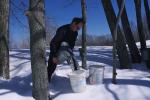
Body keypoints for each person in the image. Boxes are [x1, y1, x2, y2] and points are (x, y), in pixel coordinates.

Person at [47, 17, 84, 83]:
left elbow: (72, 44)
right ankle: (46, 81)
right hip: (56, 50)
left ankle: (78, 79)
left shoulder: (75, 33)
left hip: (66, 50)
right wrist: (54, 56)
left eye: (79, 29)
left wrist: (70, 53)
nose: (78, 30)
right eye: (78, 28)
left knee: (75, 63)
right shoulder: (63, 30)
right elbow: (53, 43)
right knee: (51, 67)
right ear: (74, 23)